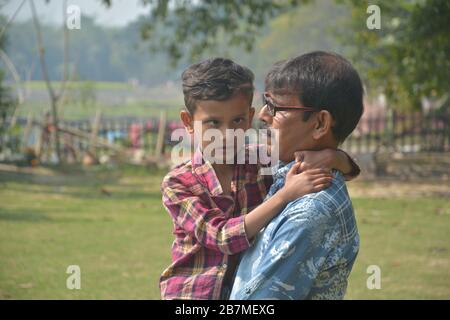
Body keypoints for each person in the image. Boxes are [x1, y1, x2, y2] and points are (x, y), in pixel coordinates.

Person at [159, 57, 359, 300]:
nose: (226, 134)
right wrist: (285, 195)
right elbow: (222, 237)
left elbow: (347, 171)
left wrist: (332, 157)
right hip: (192, 296)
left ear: (250, 116)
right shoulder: (179, 183)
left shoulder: (259, 161)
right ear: (188, 123)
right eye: (213, 123)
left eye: (237, 120)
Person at [230, 51, 364, 300]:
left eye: (275, 107)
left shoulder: (310, 211)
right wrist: (338, 158)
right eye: (265, 101)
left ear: (320, 124)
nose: (262, 115)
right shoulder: (289, 170)